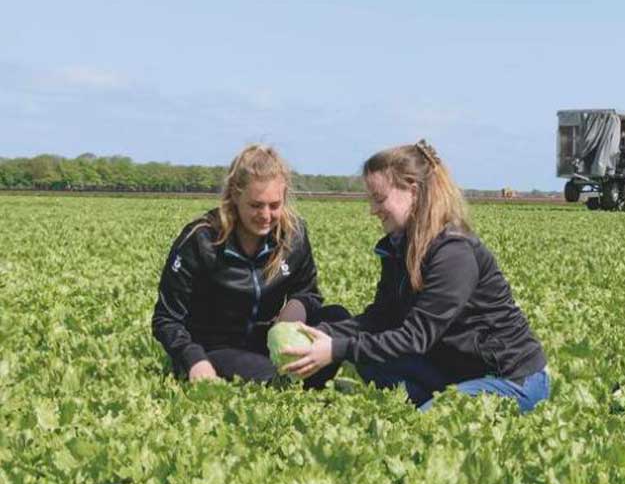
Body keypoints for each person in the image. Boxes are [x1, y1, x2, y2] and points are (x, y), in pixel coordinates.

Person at [281, 140, 549, 413]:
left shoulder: (453, 253)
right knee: (369, 360)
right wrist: (322, 335)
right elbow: (380, 318)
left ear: (413, 192)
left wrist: (336, 349)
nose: (373, 209)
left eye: (379, 198)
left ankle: (432, 402)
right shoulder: (399, 247)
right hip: (454, 369)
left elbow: (414, 338)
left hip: (510, 378)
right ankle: (434, 397)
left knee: (424, 424)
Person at [152, 144, 347, 387]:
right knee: (271, 377)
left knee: (340, 321)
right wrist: (193, 359)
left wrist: (297, 306)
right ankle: (292, 382)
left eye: (275, 205)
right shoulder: (201, 240)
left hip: (265, 341)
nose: (266, 215)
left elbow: (308, 291)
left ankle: (299, 380)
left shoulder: (293, 235)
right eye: (256, 205)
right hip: (215, 348)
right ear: (235, 195)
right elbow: (166, 318)